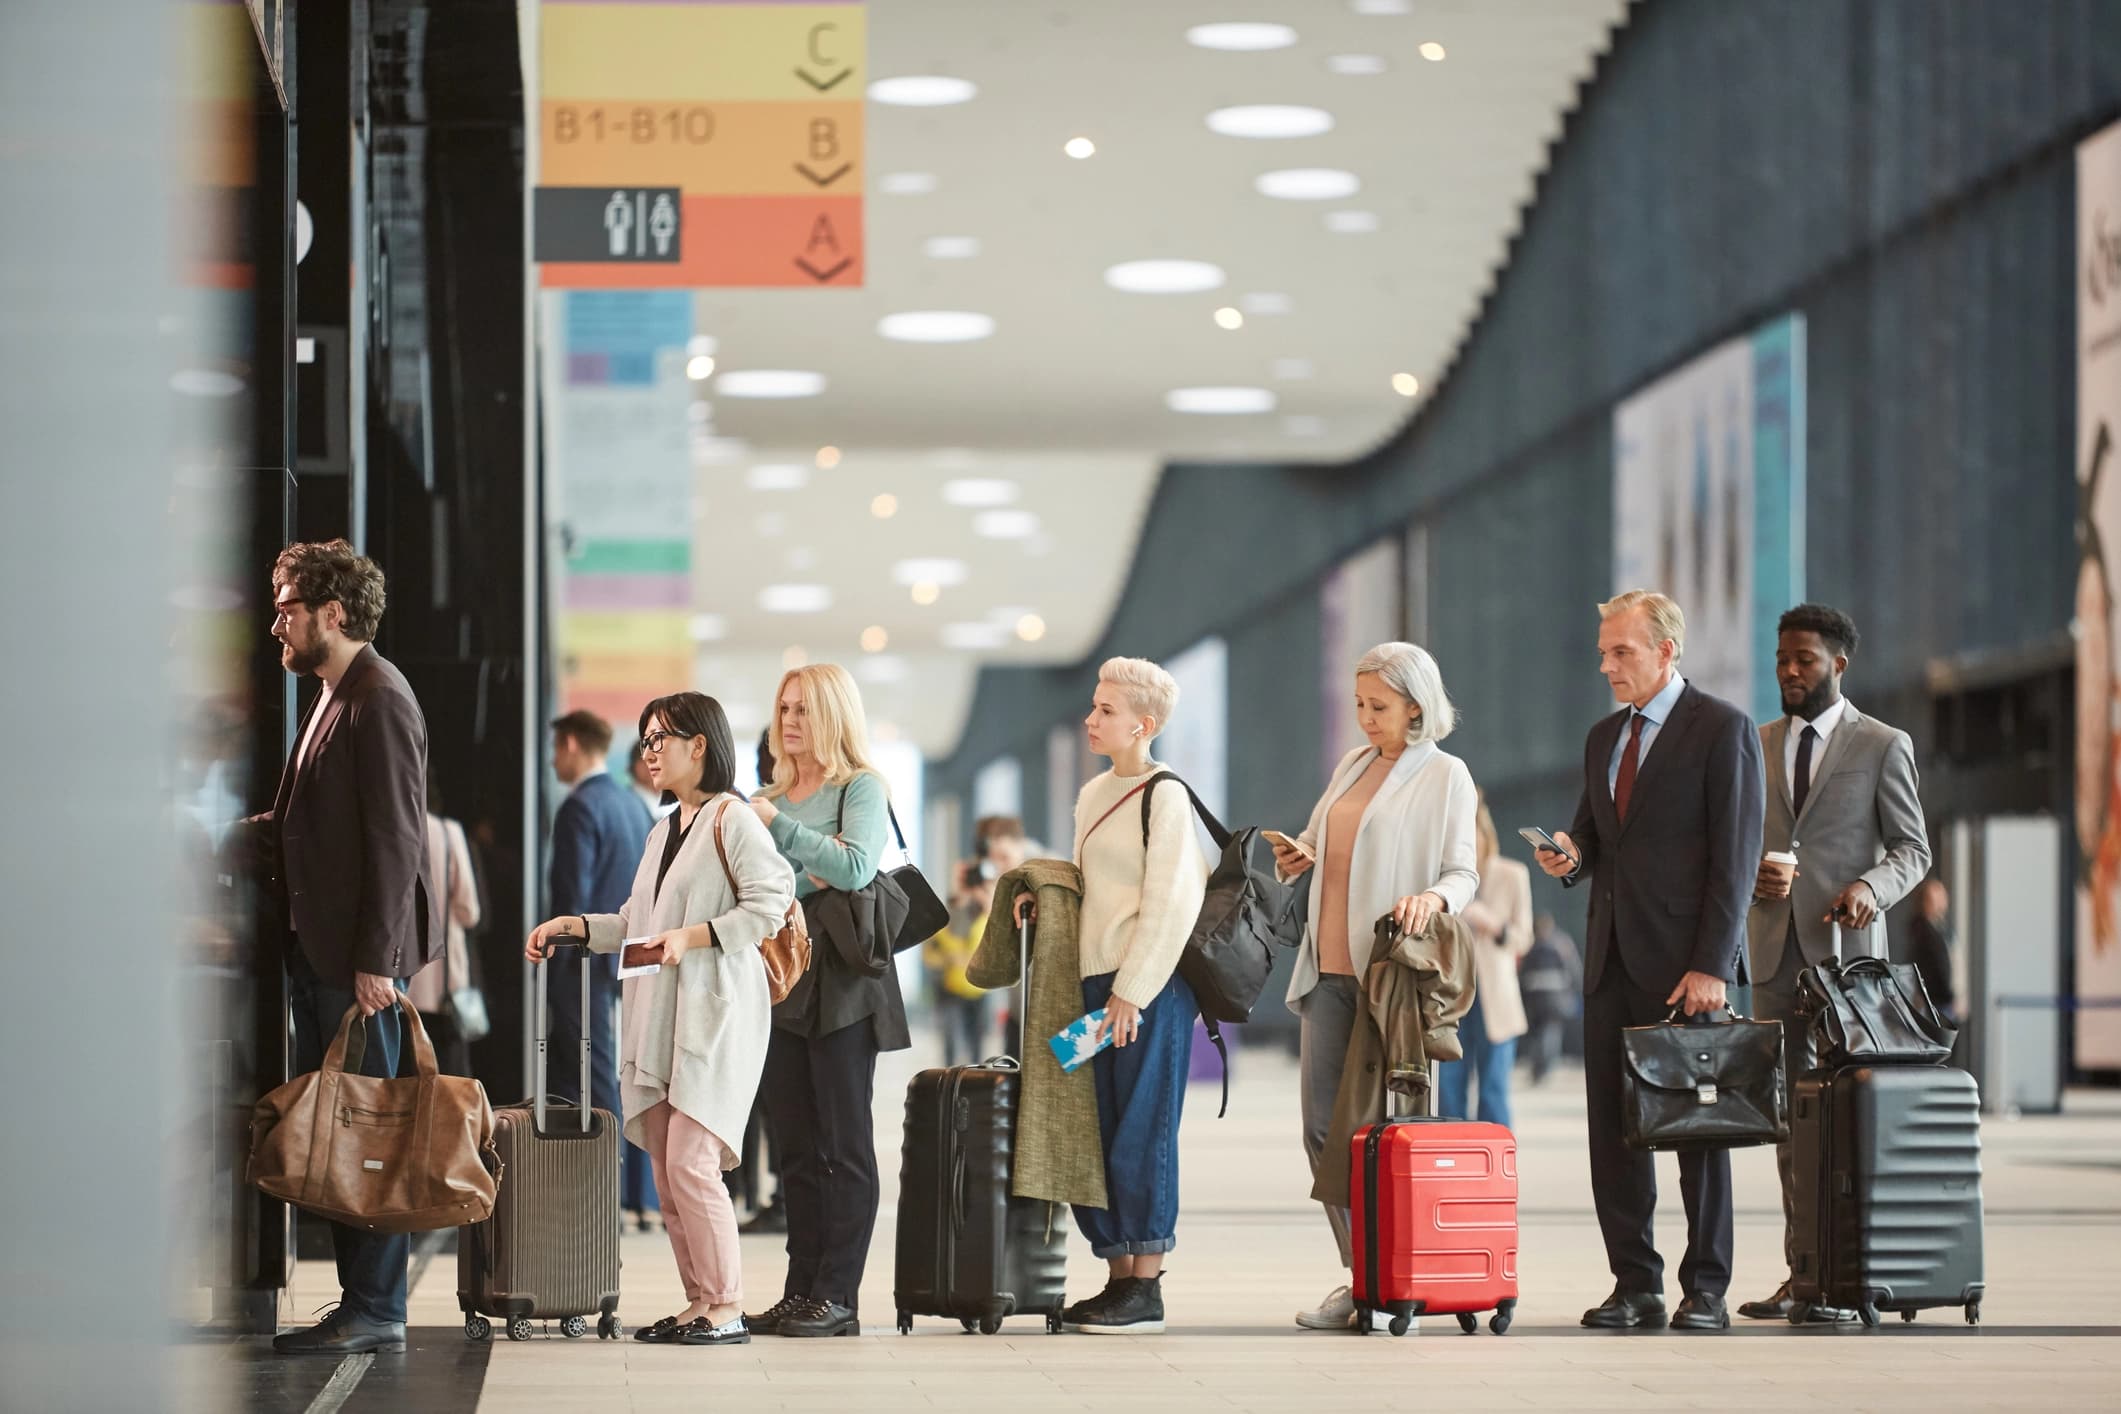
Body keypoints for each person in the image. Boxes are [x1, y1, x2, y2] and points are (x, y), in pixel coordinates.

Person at [524, 691, 795, 1348]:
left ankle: (726, 1305)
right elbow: (639, 924)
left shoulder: (732, 818)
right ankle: (699, 1300)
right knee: (672, 1169)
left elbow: (773, 899)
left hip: (715, 1016)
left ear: (697, 746)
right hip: (664, 1017)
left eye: (657, 740)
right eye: (643, 742)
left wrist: (694, 936)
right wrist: (576, 926)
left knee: (693, 1164)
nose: (646, 753)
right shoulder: (663, 827)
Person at [1533, 589, 1764, 1334]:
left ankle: (1706, 1289)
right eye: (1603, 652)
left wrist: (1711, 966)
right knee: (1614, 1134)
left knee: (1698, 1134)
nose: (1607, 665)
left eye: (1621, 651)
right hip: (1609, 962)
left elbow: (1733, 861)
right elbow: (1593, 840)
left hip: (1682, 969)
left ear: (1666, 651)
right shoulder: (1603, 737)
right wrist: (1566, 859)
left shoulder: (1720, 729)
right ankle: (1635, 1284)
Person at [252, 540, 441, 1355]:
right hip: (325, 953)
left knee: (366, 1131)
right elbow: (296, 825)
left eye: (288, 608)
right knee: (347, 1127)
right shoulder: (334, 695)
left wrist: (377, 961)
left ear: (334, 612)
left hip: (353, 964)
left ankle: (375, 1308)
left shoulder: (379, 698)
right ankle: (364, 1302)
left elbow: (396, 843)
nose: (275, 625)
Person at [1271, 642, 1481, 1332]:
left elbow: (1463, 872)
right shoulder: (1351, 764)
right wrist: (1298, 855)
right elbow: (1321, 839)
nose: (1365, 718)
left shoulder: (1445, 775)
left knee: (1391, 1132)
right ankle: (1364, 1276)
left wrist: (1432, 898)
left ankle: (1401, 1279)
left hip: (1391, 977)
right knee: (1320, 1130)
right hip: (1328, 968)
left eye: (1378, 707)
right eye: (1358, 704)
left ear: (1416, 706)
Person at [1736, 604, 1931, 1324]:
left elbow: (1912, 849)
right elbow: (1729, 844)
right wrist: (1751, 873)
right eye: (1782, 658)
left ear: (1837, 665)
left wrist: (1867, 890)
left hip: (1847, 969)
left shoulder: (1882, 744)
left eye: (1804, 660)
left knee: (1847, 1121)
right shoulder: (1752, 744)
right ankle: (1804, 1274)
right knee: (1789, 1125)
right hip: (1771, 957)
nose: (1788, 671)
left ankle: (1852, 1277)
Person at [1023, 657, 1209, 1335]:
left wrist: (1131, 990)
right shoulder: (1094, 793)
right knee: (1096, 1130)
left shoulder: (1165, 795)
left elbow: (1170, 901)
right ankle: (1116, 1275)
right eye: (1093, 706)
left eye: (1106, 710)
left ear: (1144, 724)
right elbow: (1086, 885)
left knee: (1142, 1129)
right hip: (1093, 986)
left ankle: (1146, 1284)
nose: (1091, 719)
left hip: (1147, 988)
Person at [745, 665, 907, 1339]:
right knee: (795, 1147)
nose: (788, 720)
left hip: (842, 984)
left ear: (833, 715)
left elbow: (854, 867)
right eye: (783, 707)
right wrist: (805, 862)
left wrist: (782, 832)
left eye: (803, 710)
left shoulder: (858, 787)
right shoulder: (769, 793)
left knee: (843, 1143)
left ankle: (837, 1294)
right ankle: (800, 1287)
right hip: (780, 980)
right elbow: (760, 887)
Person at [547, 712, 654, 1133]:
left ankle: (602, 1185)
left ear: (571, 743)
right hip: (626, 960)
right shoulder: (632, 804)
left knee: (588, 1075)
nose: (554, 760)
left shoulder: (579, 808)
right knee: (616, 1071)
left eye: (557, 749)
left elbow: (571, 899)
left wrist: (554, 970)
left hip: (584, 963)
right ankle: (622, 1186)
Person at [1434, 793, 1533, 1131]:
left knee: (1493, 1089)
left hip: (1498, 999)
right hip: (1451, 996)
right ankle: (1454, 1162)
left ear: (1484, 833)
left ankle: (1495, 1166)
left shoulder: (1512, 874)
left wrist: (1494, 924)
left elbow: (1524, 937)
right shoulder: (1441, 879)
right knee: (1448, 1090)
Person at [732, 728, 788, 1234]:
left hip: (781, 974)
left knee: (778, 1098)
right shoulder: (755, 809)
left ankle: (777, 1194)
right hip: (773, 975)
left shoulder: (766, 816)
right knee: (771, 1096)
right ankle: (772, 1192)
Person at [925, 817, 1028, 1067]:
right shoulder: (983, 884)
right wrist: (958, 899)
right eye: (992, 860)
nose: (999, 867)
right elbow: (953, 936)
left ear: (1021, 847)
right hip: (1006, 1005)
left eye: (1004, 857)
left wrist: (997, 911)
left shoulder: (1037, 878)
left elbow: (1032, 952)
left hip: (1035, 1006)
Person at [407, 789, 482, 1076]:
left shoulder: (393, 828)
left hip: (404, 981)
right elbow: (470, 911)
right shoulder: (449, 833)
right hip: (445, 984)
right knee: (448, 1078)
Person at [1517, 914, 1583, 1085]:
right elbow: (1574, 970)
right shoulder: (1562, 943)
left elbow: (1522, 972)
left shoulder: (1531, 943)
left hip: (1534, 998)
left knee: (1540, 1034)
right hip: (1555, 998)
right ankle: (1544, 1067)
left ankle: (1540, 1067)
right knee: (1549, 1033)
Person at [1905, 878, 1958, 1027]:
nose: (1941, 902)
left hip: (1942, 1001)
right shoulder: (1923, 931)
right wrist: (1949, 996)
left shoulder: (1941, 928)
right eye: (1935, 899)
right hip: (1936, 1001)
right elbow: (1935, 967)